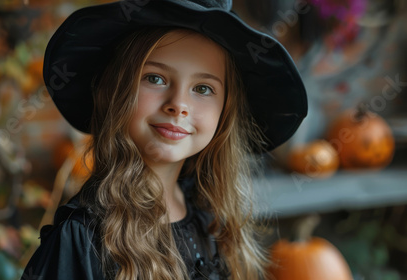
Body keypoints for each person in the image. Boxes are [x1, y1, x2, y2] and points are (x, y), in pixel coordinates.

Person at [21, 0, 307, 279]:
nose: (178, 104)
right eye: (155, 79)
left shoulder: (211, 220)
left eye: (203, 88)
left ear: (224, 112)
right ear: (112, 90)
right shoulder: (81, 239)